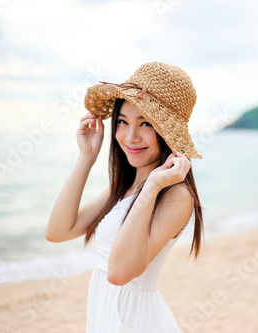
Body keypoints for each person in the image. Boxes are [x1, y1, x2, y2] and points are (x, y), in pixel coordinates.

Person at [46, 62, 204, 332]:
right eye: (122, 122)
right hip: (106, 317)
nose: (130, 137)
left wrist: (153, 187)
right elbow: (58, 231)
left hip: (137, 322)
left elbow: (119, 273)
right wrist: (86, 157)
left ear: (168, 133)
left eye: (146, 123)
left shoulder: (176, 195)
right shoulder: (127, 185)